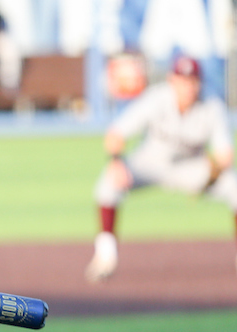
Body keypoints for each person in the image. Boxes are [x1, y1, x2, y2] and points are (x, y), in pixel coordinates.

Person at [87, 54, 237, 281]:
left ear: (199, 83)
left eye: (192, 81)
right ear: (171, 80)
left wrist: (214, 169)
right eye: (182, 80)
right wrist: (116, 162)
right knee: (107, 184)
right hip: (150, 163)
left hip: (190, 168)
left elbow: (225, 154)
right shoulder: (156, 98)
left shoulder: (211, 106)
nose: (187, 87)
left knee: (233, 187)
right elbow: (115, 134)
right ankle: (106, 256)